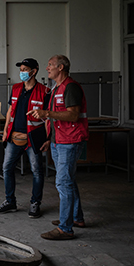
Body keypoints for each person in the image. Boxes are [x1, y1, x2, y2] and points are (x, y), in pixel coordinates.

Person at [28, 54, 88, 240]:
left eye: (50, 65)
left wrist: (46, 112)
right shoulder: (56, 89)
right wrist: (49, 139)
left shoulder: (70, 87)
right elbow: (55, 118)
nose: (48, 68)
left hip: (69, 141)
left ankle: (65, 228)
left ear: (61, 67)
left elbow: (73, 116)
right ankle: (76, 218)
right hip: (58, 140)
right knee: (68, 180)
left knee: (63, 183)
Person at [0, 58, 48, 218]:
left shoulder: (44, 91)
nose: (22, 72)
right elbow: (10, 110)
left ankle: (35, 203)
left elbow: (48, 117)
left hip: (34, 137)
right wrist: (5, 131)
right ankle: (10, 201)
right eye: (21, 69)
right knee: (7, 168)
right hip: (14, 136)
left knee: (37, 171)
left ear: (34, 71)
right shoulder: (16, 88)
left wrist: (47, 138)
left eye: (25, 69)